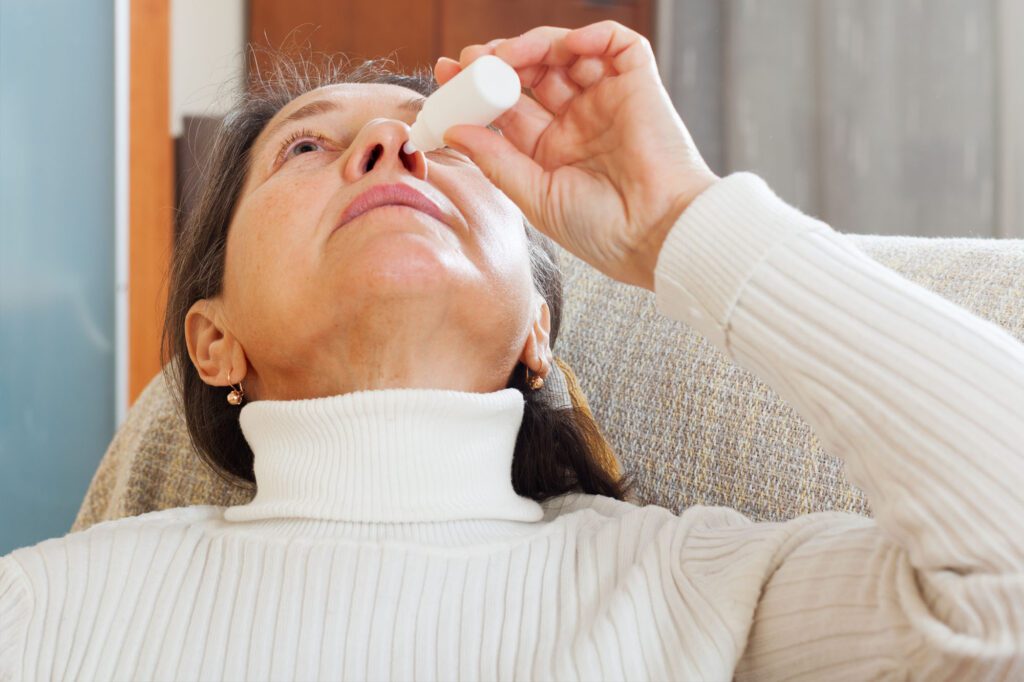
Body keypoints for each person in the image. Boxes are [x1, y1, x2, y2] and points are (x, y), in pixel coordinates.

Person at [2, 19, 1022, 680]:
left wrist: (682, 222)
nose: (392, 146)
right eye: (306, 146)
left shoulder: (699, 592)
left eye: (432, 141)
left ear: (537, 325)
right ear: (214, 342)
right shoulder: (47, 610)